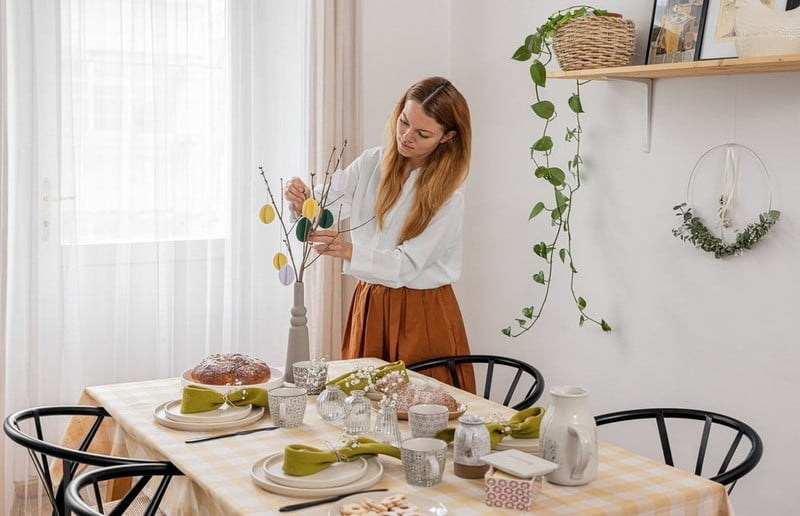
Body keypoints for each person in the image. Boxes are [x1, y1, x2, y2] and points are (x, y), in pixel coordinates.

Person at [285, 76, 475, 393]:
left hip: (423, 312)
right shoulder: (372, 162)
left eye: (422, 133)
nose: (406, 137)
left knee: (423, 414)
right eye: (404, 122)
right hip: (370, 301)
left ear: (448, 137)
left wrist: (348, 250)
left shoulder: (449, 198)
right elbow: (327, 203)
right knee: (359, 408)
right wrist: (303, 200)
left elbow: (405, 265)